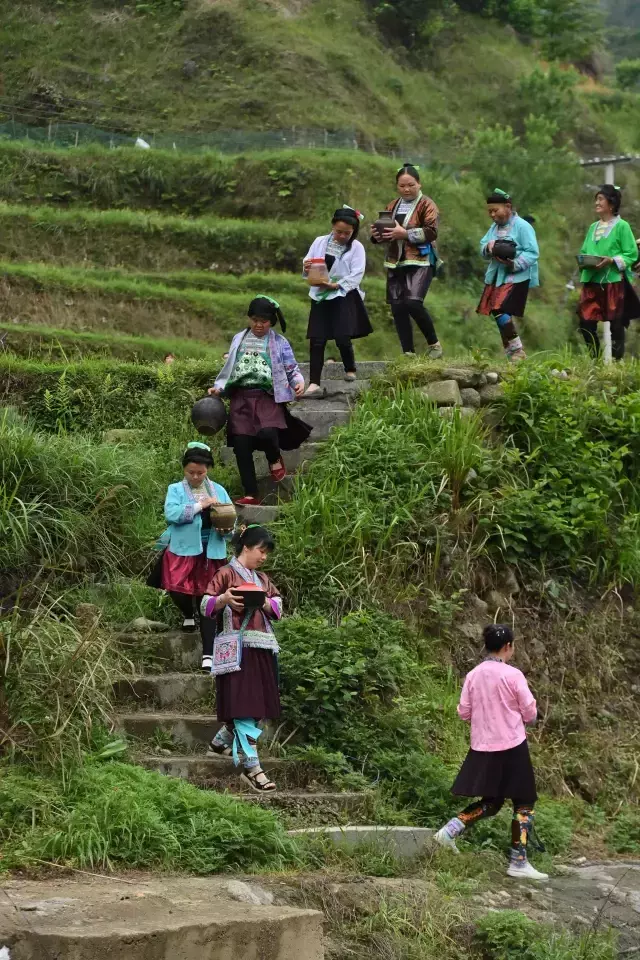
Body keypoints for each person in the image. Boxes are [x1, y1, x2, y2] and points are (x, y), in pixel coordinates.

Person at [434, 624, 547, 881]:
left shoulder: (473, 675)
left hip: (483, 746)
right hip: (512, 745)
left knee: (491, 801)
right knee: (524, 803)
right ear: (508, 646)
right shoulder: (513, 675)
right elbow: (530, 713)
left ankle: (450, 831)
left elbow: (463, 712)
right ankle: (518, 862)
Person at [201, 524, 282, 792]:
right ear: (246, 547)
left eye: (266, 553)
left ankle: (219, 742)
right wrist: (224, 598)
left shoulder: (262, 579)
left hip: (261, 647)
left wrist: (263, 603)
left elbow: (278, 606)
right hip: (234, 650)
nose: (264, 557)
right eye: (261, 550)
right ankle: (253, 768)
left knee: (255, 706)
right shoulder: (224, 574)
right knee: (244, 707)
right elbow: (205, 605)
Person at [208, 296, 309, 507]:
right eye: (254, 320)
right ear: (249, 319)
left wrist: (298, 382)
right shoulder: (239, 339)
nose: (258, 325)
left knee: (268, 432)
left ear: (271, 321)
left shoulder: (280, 342)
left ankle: (274, 458)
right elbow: (231, 368)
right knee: (242, 445)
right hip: (241, 398)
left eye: (263, 321)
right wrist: (219, 388)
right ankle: (251, 493)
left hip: (267, 397)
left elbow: (291, 368)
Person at [152, 441, 233, 672]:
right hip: (184, 548)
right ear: (184, 470)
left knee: (209, 594)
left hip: (212, 548)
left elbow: (230, 516)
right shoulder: (175, 489)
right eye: (191, 472)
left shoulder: (219, 489)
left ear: (208, 470)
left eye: (201, 472)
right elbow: (172, 514)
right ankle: (188, 613)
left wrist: (227, 529)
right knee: (177, 586)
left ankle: (207, 649)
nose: (196, 476)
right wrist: (200, 505)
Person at [370, 162, 443, 358]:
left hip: (421, 259)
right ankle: (408, 353)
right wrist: (377, 235)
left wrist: (405, 233)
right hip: (396, 261)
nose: (407, 189)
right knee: (398, 307)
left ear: (419, 184)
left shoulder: (427, 204)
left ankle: (434, 344)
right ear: (397, 187)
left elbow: (432, 231)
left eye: (411, 185)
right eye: (402, 186)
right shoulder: (392, 205)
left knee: (412, 302)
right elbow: (386, 232)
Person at [302, 205, 373, 396]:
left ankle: (350, 368)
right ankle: (314, 383)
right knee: (317, 338)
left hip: (343, 295)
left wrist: (337, 285)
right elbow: (308, 262)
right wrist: (307, 266)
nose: (342, 236)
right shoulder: (319, 242)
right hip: (319, 294)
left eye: (347, 233)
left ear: (353, 231)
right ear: (332, 226)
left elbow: (357, 273)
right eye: (339, 231)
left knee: (342, 335)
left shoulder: (356, 247)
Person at [577, 184, 640, 361]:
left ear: (611, 204)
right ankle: (595, 359)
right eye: (596, 200)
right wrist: (583, 261)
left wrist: (611, 260)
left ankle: (616, 362)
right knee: (585, 322)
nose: (596, 203)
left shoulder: (622, 226)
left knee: (616, 324)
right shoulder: (592, 227)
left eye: (600, 199)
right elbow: (584, 249)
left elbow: (631, 254)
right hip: (592, 280)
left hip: (613, 281)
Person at [477, 189, 539, 362]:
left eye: (495, 210)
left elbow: (533, 252)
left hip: (516, 276)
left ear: (508, 207)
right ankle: (512, 355)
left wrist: (514, 263)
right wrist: (488, 247)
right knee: (497, 312)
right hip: (497, 276)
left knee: (499, 308)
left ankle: (517, 350)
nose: (492, 215)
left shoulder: (523, 226)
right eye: (489, 211)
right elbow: (483, 245)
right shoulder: (494, 227)